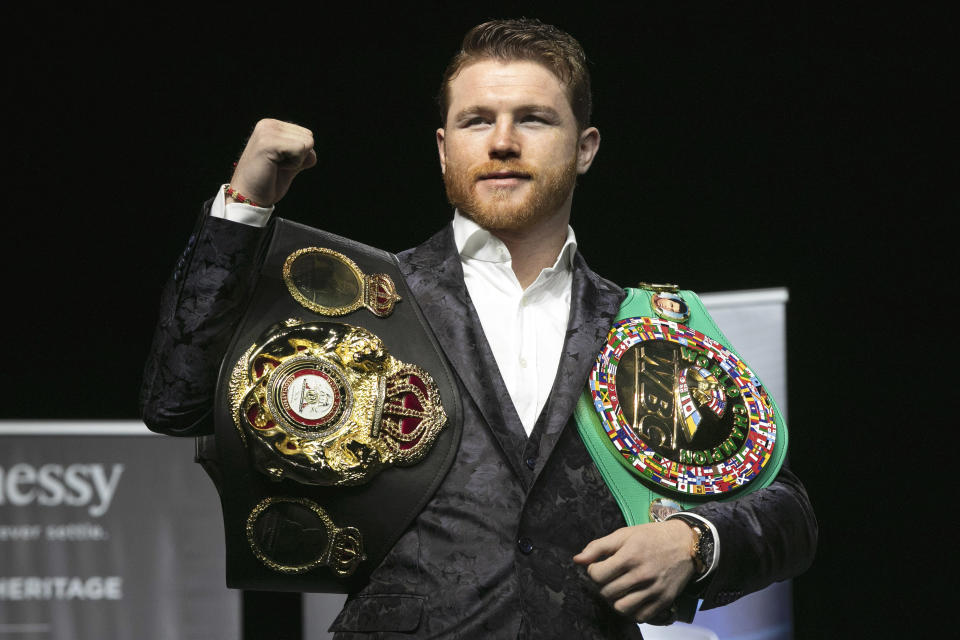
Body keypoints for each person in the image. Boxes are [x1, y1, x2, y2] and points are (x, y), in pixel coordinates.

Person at [141, 18, 816, 639]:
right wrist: (245, 208)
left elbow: (786, 509)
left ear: (585, 148)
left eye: (533, 119)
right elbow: (179, 402)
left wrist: (696, 542)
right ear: (443, 148)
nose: (501, 142)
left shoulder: (644, 326)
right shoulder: (356, 301)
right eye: (475, 121)